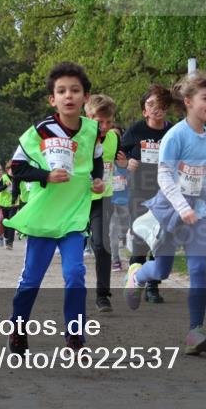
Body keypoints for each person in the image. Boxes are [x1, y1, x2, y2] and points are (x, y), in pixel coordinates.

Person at [124, 71, 206, 356]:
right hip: (171, 209)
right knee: (163, 269)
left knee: (198, 268)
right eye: (205, 98)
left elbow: (205, 176)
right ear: (188, 101)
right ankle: (138, 277)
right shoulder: (175, 136)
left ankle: (195, 330)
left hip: (197, 211)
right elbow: (164, 177)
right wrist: (182, 208)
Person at [4, 62, 105, 353]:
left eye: (75, 90)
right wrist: (46, 176)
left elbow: (96, 159)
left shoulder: (92, 130)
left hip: (73, 217)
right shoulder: (40, 131)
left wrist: (97, 179)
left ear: (86, 97)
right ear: (53, 99)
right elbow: (17, 168)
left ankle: (75, 335)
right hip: (45, 218)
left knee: (75, 274)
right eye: (61, 91)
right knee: (31, 279)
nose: (68, 96)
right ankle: (18, 326)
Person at [120, 84, 174, 303]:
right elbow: (118, 155)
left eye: (160, 105)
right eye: (151, 105)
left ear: (166, 108)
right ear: (144, 110)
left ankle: (153, 285)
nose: (156, 109)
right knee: (141, 236)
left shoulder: (173, 132)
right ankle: (135, 280)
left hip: (164, 192)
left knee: (160, 238)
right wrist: (126, 163)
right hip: (139, 190)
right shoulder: (136, 130)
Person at [84, 94, 125, 312]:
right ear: (88, 116)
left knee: (102, 244)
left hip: (102, 198)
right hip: (76, 200)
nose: (105, 126)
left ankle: (103, 295)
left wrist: (128, 162)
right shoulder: (78, 136)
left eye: (109, 122)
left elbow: (124, 158)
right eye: (100, 121)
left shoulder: (113, 138)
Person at [109, 127, 131, 272]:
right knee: (112, 231)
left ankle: (133, 259)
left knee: (128, 232)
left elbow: (135, 176)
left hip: (127, 201)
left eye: (116, 137)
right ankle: (115, 260)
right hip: (110, 201)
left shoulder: (126, 158)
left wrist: (126, 167)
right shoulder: (102, 157)